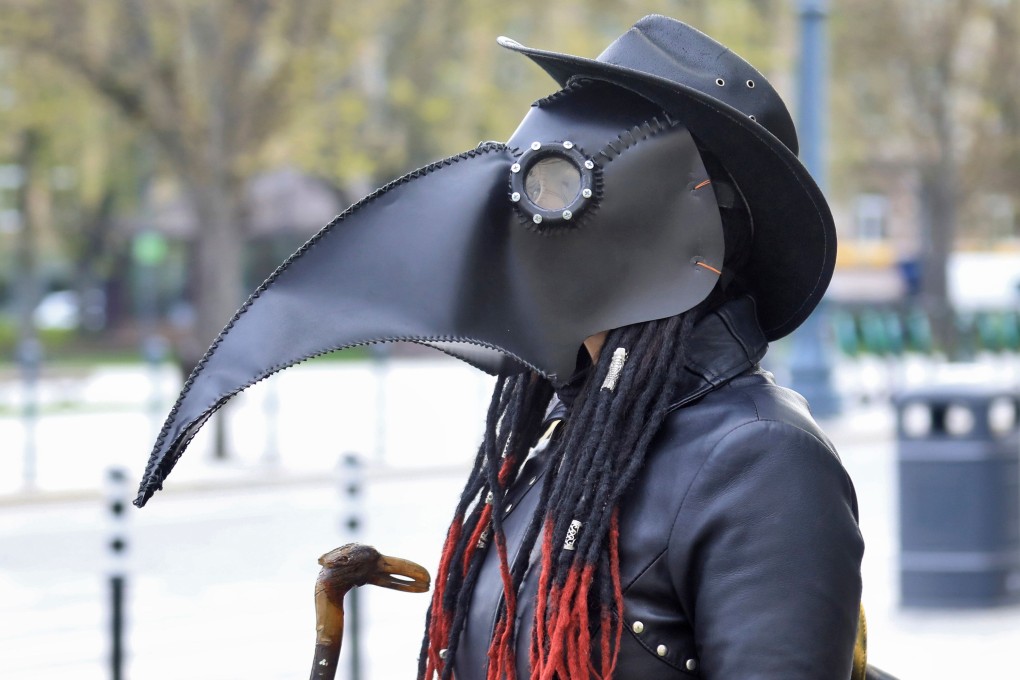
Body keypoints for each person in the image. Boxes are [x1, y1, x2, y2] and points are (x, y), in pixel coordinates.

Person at [133, 13, 879, 680]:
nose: (521, 217)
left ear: (674, 215)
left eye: (557, 187)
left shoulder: (760, 460)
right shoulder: (569, 439)